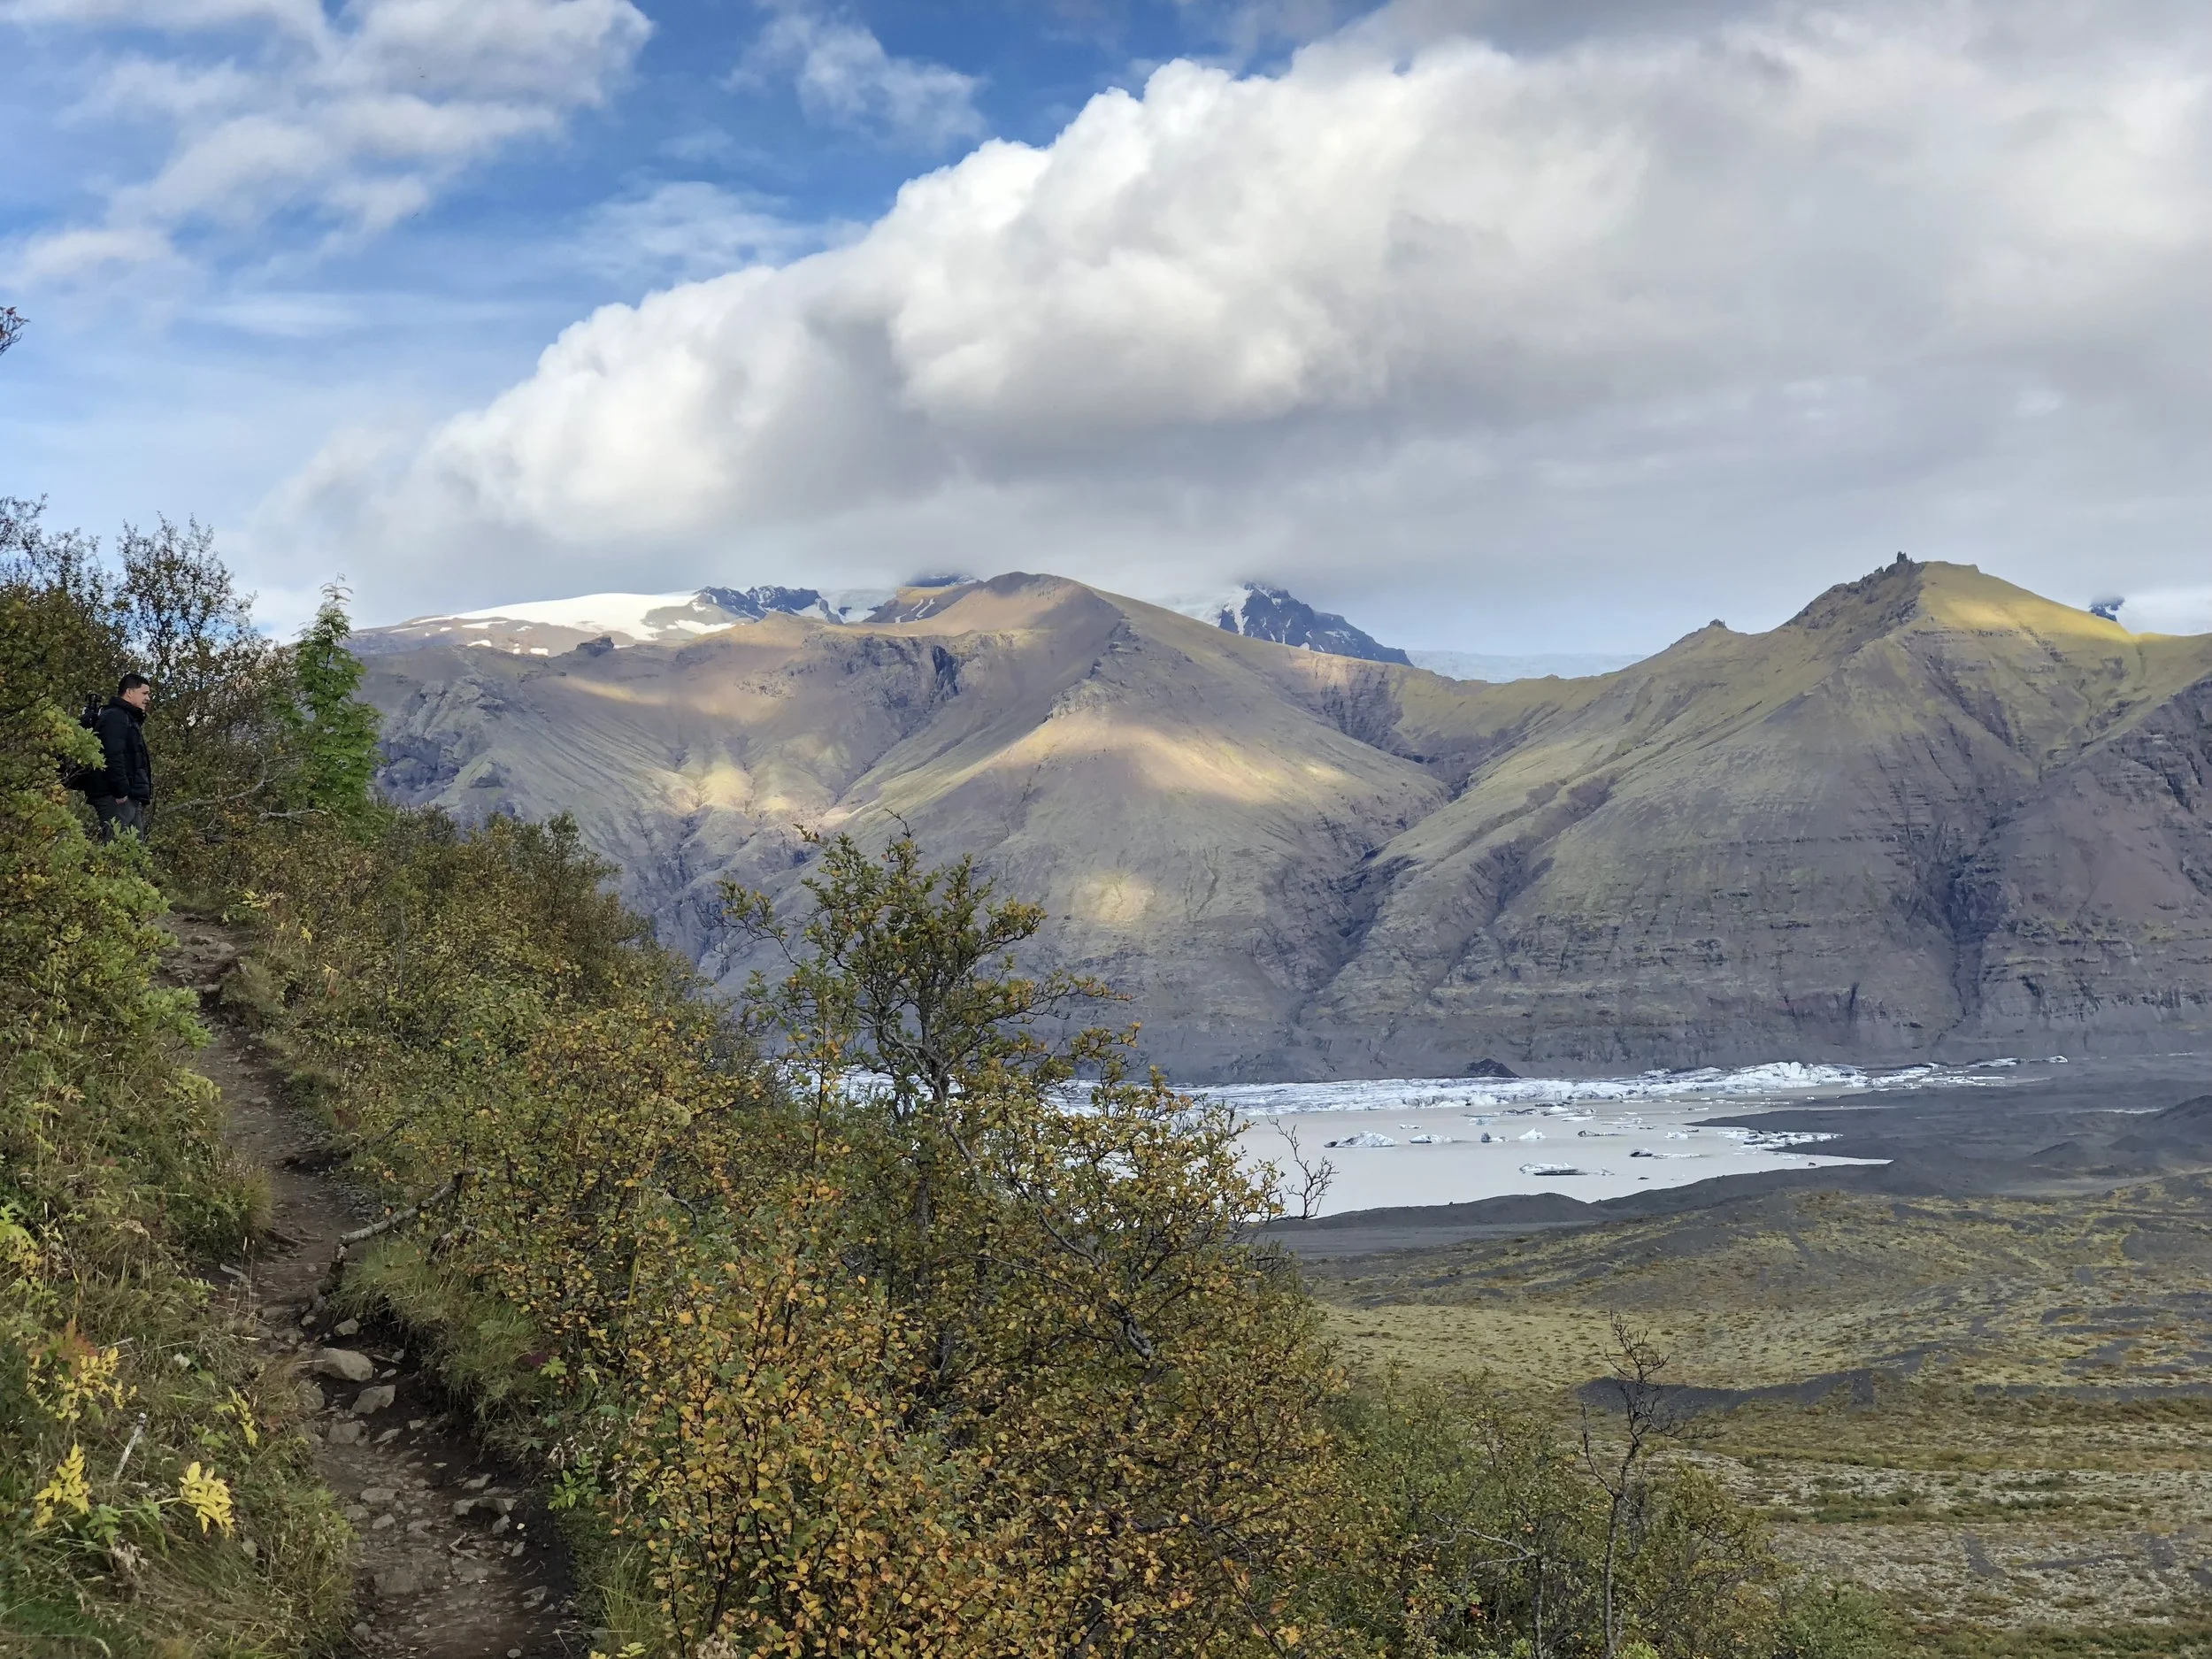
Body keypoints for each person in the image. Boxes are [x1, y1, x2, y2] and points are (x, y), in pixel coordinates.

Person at [87, 673, 154, 841]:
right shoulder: (116, 717)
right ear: (129, 692)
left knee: (134, 854)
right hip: (115, 797)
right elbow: (112, 756)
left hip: (127, 796)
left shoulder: (127, 718)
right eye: (144, 693)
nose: (148, 699)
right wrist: (121, 791)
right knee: (118, 851)